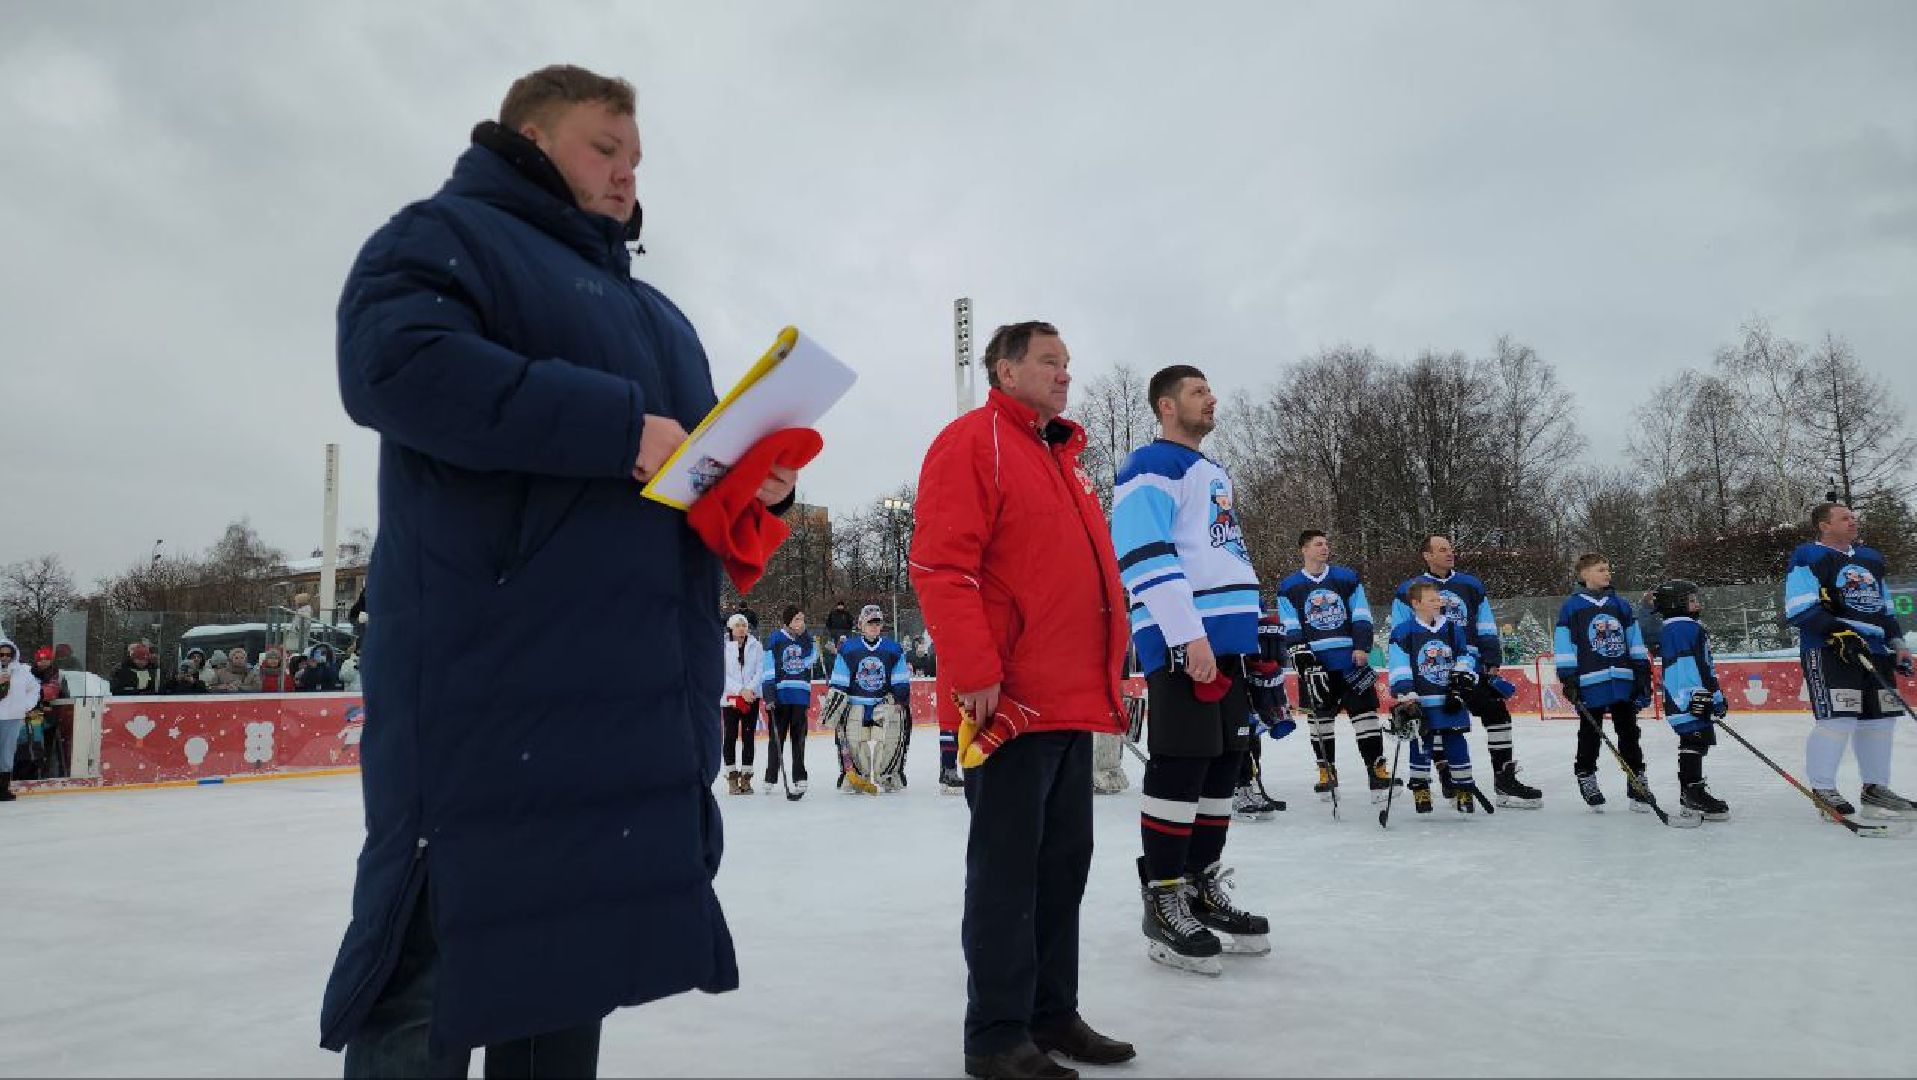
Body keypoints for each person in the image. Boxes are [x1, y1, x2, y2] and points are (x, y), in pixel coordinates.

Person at [322, 64, 797, 1077]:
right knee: (430, 986)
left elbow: (691, 483)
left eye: (635, 156)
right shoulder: (443, 240)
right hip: (490, 698)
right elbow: (394, 368)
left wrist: (759, 489)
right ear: (531, 141)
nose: (627, 174)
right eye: (603, 148)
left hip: (626, 710)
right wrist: (621, 429)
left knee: (567, 978)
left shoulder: (658, 317)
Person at [911, 319, 1134, 1079]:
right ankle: (996, 1034)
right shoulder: (975, 440)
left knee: (1061, 866)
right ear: (1004, 369)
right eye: (1048, 361)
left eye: (1068, 361)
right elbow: (942, 565)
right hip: (1005, 703)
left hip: (1070, 698)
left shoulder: (1059, 455)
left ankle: (1050, 1014)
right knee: (1007, 872)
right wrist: (974, 668)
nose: (1064, 373)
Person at [1110, 364, 1273, 976]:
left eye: (1211, 388)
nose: (1212, 398)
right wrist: (1188, 634)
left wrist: (1255, 635)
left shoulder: (1211, 471)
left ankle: (1201, 885)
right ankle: (1163, 896)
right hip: (1186, 644)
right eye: (1198, 391)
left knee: (1223, 768)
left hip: (1225, 643)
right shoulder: (1151, 465)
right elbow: (1143, 553)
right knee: (1180, 767)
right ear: (1167, 406)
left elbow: (1222, 556)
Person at [1389, 535, 1543, 807]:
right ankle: (1447, 775)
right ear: (1427, 555)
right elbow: (1400, 636)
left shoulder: (1470, 585)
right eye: (1442, 550)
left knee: (1497, 712)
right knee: (1435, 721)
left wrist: (1491, 656)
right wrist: (1408, 684)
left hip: (1468, 667)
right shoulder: (1408, 590)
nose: (1450, 553)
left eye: (1450, 548)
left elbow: (1484, 624)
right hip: (1429, 672)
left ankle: (1504, 778)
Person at [1783, 502, 1914, 818]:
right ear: (1824, 526)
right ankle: (1824, 789)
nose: (1853, 522)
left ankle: (1875, 789)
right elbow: (1799, 607)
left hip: (1876, 650)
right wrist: (1837, 632)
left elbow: (1885, 608)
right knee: (1837, 719)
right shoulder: (1808, 557)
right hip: (1830, 649)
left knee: (1880, 721)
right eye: (1845, 518)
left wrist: (1897, 642)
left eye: (1854, 517)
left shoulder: (1870, 559)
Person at [1274, 530, 1394, 801]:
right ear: (1304, 549)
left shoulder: (1346, 578)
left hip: (1351, 660)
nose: (1324, 548)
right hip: (1315, 665)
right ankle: (1326, 771)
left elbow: (1361, 614)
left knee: (1366, 718)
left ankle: (1377, 771)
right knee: (1320, 721)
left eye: (1326, 543)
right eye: (1318, 544)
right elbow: (1290, 624)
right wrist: (1301, 654)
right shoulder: (1289, 586)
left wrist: (1362, 645)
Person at [1554, 553, 1654, 811]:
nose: (1607, 574)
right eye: (1600, 570)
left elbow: (1634, 640)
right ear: (1584, 574)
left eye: (1608, 569)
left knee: (1629, 733)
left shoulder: (1620, 605)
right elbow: (1564, 644)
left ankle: (1637, 781)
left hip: (1622, 679)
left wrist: (1642, 673)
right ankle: (1586, 774)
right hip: (1589, 682)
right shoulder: (1572, 607)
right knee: (1590, 733)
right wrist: (1568, 678)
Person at [1387, 581, 1488, 815]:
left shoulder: (1452, 629)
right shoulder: (1403, 632)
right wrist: (1406, 693)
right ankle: (1421, 788)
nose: (1438, 602)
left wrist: (1458, 683)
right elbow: (1399, 663)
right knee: (1421, 744)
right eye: (1432, 599)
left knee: (1456, 742)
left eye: (1439, 599)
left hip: (1449, 699)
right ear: (1416, 604)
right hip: (1420, 701)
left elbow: (1465, 655)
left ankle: (1463, 787)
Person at [1650, 580, 1731, 820]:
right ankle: (1691, 795)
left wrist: (1715, 698)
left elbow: (1704, 667)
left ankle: (1691, 792)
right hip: (1687, 699)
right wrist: (1694, 697)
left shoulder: (1687, 627)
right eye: (1692, 599)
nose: (1698, 603)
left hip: (1691, 698)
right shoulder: (1681, 628)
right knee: (1694, 740)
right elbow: (1682, 668)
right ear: (1676, 603)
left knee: (1697, 740)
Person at [826, 604, 912, 792]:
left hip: (883, 703)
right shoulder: (848, 648)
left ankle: (888, 775)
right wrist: (836, 706)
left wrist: (899, 701)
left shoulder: (893, 649)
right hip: (856, 704)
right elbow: (839, 681)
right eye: (870, 622)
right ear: (861, 625)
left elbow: (900, 679)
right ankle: (855, 776)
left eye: (877, 622)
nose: (874, 626)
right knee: (854, 742)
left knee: (891, 738)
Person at [760, 606, 817, 795]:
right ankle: (770, 776)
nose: (801, 622)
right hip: (780, 697)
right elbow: (768, 669)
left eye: (802, 619)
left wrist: (804, 635)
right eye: (797, 619)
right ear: (788, 621)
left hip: (800, 695)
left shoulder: (805, 639)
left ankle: (800, 776)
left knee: (799, 739)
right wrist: (769, 695)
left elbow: (811, 658)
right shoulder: (776, 639)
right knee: (777, 739)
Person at [720, 614, 764, 794]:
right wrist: (740, 690)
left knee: (748, 737)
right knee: (730, 736)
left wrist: (749, 690)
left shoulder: (756, 645)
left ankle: (746, 777)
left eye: (744, 625)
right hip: (730, 698)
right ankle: (731, 777)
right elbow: (721, 674)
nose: (741, 628)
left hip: (751, 697)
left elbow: (760, 670)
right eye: (737, 625)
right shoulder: (722, 646)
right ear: (731, 628)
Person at [0, 638, 38, 800]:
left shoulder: (23, 672)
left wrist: (25, 706)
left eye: (8, 654)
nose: (4, 657)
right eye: (1, 654)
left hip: (13, 718)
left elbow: (34, 689)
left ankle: (3, 789)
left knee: (7, 754)